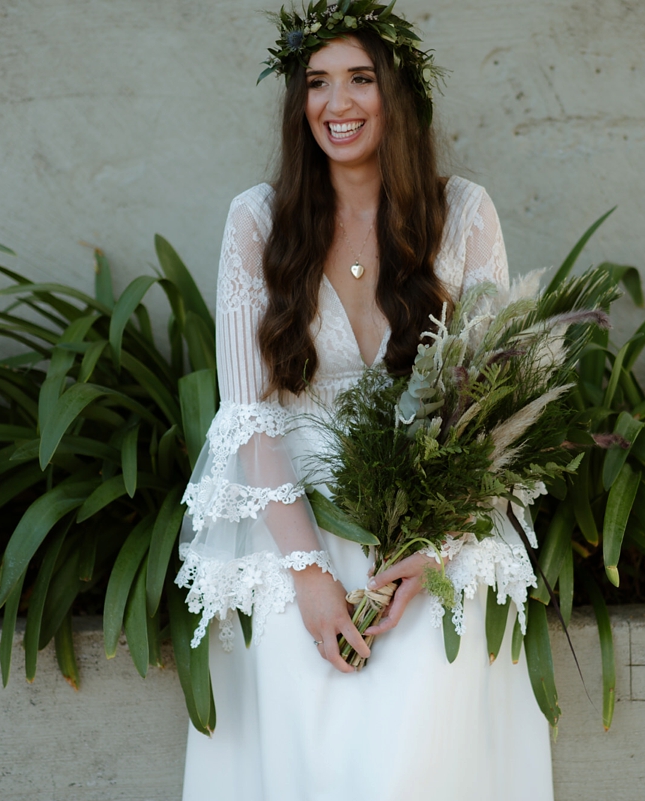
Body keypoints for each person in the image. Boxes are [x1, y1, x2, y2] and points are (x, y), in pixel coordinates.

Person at [175, 3, 553, 799]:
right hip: (292, 522)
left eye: (359, 79)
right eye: (316, 83)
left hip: (432, 522)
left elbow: (488, 404)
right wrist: (309, 573)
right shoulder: (256, 220)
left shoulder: (464, 216)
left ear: (398, 95)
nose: (336, 104)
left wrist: (437, 546)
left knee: (416, 755)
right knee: (310, 752)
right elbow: (249, 414)